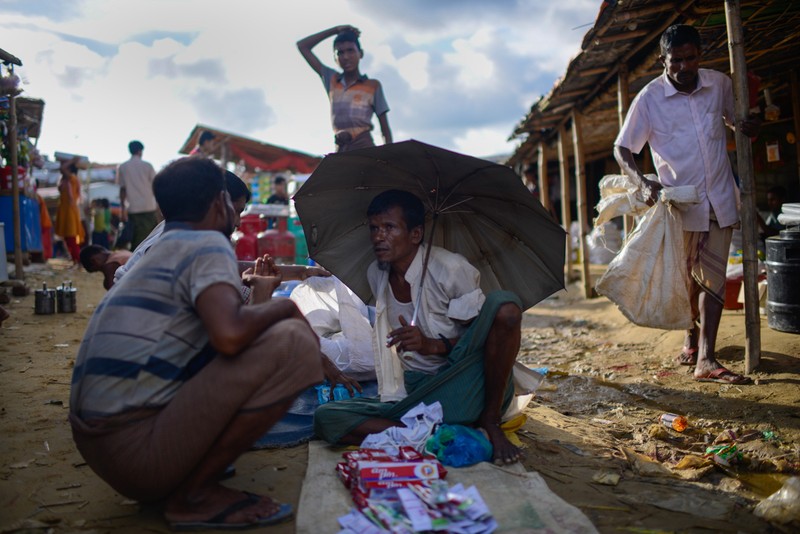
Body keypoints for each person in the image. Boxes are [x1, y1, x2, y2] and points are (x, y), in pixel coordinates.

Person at [69, 157, 352, 530]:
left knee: (277, 331)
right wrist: (283, 306)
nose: (235, 220)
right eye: (234, 210)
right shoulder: (206, 242)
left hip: (102, 450)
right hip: (136, 454)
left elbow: (215, 340)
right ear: (220, 203)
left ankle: (189, 476)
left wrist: (267, 300)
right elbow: (231, 337)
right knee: (293, 343)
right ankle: (195, 496)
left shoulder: (165, 243)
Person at [313, 190, 524, 465]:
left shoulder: (450, 268)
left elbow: (480, 341)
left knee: (505, 307)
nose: (378, 237)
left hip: (466, 382)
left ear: (415, 234)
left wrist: (432, 345)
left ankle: (490, 421)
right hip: (419, 391)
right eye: (374, 228)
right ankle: (437, 433)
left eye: (389, 228)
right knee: (327, 417)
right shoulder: (376, 273)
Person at [613, 24, 759, 385]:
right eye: (675, 60)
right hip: (680, 203)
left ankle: (706, 359)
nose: (683, 67)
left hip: (720, 197)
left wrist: (748, 125)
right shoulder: (649, 98)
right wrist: (641, 180)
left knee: (712, 276)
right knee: (687, 279)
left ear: (700, 55)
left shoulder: (719, 84)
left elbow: (734, 119)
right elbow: (623, 148)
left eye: (689, 58)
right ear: (663, 59)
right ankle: (692, 339)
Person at [297, 25, 393, 152]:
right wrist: (335, 30)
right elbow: (302, 46)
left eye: (350, 50)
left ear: (361, 53)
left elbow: (385, 129)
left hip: (365, 148)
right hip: (341, 149)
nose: (346, 57)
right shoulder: (332, 79)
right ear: (335, 58)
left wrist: (389, 156)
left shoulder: (372, 85)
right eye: (340, 52)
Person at [117, 140, 158, 250]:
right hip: (149, 207)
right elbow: (156, 186)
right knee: (152, 238)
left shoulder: (123, 167)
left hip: (133, 209)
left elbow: (123, 190)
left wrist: (122, 210)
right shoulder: (147, 166)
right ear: (140, 151)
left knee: (137, 241)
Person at [54, 156, 86, 265]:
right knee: (67, 238)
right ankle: (74, 260)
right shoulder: (64, 180)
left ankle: (78, 260)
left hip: (70, 211)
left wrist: (72, 160)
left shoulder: (72, 178)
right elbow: (62, 170)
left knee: (71, 237)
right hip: (65, 210)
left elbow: (62, 169)